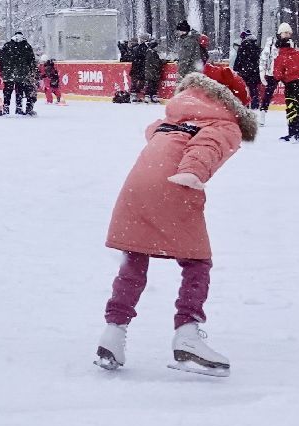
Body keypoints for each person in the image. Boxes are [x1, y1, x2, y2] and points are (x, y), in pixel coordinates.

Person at [95, 65, 256, 377]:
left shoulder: (173, 118)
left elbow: (153, 133)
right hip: (176, 185)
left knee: (134, 259)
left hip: (135, 188)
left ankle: (113, 332)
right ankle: (188, 335)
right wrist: (194, 172)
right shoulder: (226, 125)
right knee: (197, 263)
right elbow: (207, 147)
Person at [3, 32, 38, 116]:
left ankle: (6, 108)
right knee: (19, 91)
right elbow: (32, 60)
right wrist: (32, 70)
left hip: (8, 73)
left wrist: (2, 70)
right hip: (22, 73)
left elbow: (2, 59)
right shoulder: (26, 46)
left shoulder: (7, 46)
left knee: (7, 91)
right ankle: (18, 108)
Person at [231, 31, 263, 110]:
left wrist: (236, 69)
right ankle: (255, 105)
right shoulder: (256, 47)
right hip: (255, 72)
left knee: (244, 89)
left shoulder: (242, 46)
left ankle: (245, 105)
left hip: (244, 72)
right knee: (254, 89)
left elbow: (238, 59)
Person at [140, 39, 164, 104]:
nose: (158, 48)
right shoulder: (150, 52)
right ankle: (148, 96)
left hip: (153, 72)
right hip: (151, 72)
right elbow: (155, 62)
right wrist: (162, 62)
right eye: (156, 46)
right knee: (150, 85)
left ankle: (153, 96)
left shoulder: (152, 52)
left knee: (154, 85)